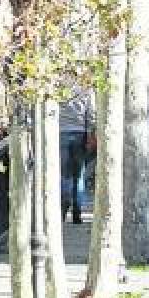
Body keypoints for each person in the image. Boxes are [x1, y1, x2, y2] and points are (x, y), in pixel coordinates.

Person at [58, 87, 95, 224]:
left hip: (60, 132)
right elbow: (91, 114)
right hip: (81, 133)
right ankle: (77, 213)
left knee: (64, 173)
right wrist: (91, 133)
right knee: (79, 175)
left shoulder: (56, 85)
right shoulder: (85, 88)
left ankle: (64, 205)